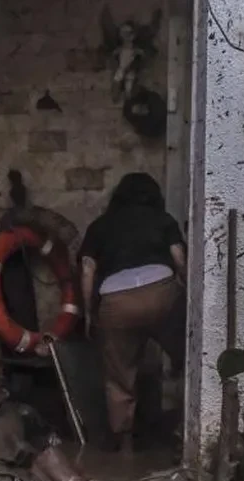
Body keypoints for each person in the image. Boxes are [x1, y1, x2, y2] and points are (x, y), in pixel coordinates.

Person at [77, 172, 187, 453]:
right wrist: (188, 299)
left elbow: (87, 271)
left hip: (116, 303)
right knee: (189, 357)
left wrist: (89, 313)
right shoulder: (163, 220)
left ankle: (124, 443)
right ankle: (185, 427)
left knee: (119, 375)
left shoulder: (100, 226)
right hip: (161, 294)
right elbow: (180, 260)